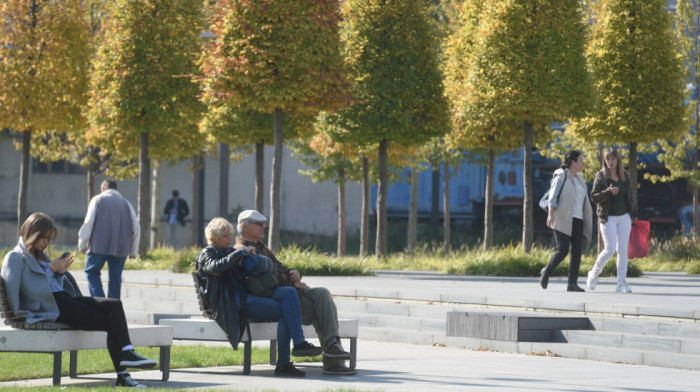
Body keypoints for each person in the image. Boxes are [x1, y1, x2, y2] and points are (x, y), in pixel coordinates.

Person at [1, 213, 156, 388]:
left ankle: (128, 352)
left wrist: (59, 273)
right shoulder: (15, 257)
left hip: (63, 300)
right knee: (112, 322)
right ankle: (123, 374)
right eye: (42, 238)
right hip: (52, 307)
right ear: (31, 234)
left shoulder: (41, 256)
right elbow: (20, 291)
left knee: (114, 305)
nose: (45, 242)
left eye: (47, 239)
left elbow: (52, 285)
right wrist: (51, 270)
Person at [195, 217, 323, 377]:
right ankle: (286, 360)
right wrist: (241, 252)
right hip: (231, 305)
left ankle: (297, 345)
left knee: (289, 293)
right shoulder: (207, 253)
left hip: (247, 296)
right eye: (225, 236)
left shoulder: (228, 251)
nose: (229, 239)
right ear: (214, 237)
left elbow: (250, 265)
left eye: (230, 235)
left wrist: (255, 258)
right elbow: (216, 267)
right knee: (285, 312)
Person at [234, 210, 356, 375]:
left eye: (263, 223)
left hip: (289, 295)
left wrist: (293, 272)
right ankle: (333, 361)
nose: (263, 226)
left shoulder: (261, 247)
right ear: (244, 226)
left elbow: (279, 268)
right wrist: (294, 282)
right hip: (274, 302)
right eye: (258, 224)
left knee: (322, 294)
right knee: (321, 309)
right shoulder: (243, 250)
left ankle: (333, 346)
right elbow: (265, 283)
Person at [539, 151, 593, 292]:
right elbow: (553, 195)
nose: (583, 163)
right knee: (562, 250)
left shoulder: (580, 178)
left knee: (576, 251)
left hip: (578, 218)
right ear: (573, 162)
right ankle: (546, 271)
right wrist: (551, 214)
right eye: (581, 160)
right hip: (562, 217)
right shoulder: (561, 175)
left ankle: (572, 283)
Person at [78, 179, 139, 299]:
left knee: (92, 272)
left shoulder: (98, 199)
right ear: (117, 189)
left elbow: (88, 223)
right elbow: (136, 227)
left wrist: (82, 244)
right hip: (121, 247)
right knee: (115, 278)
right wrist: (133, 251)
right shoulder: (126, 203)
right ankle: (114, 308)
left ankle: (99, 302)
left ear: (102, 189)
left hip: (98, 246)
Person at [588, 148, 638, 293]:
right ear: (604, 160)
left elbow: (630, 195)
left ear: (618, 160)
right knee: (610, 249)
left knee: (622, 250)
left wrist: (634, 212)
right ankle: (594, 273)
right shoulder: (601, 177)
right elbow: (594, 197)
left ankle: (621, 282)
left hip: (624, 217)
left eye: (613, 159)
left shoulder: (625, 176)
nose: (610, 162)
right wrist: (607, 192)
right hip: (607, 216)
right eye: (607, 159)